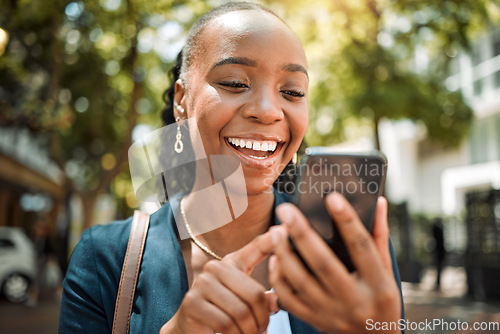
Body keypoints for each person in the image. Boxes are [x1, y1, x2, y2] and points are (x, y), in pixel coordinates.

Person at [59, 2, 404, 333]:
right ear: (182, 100)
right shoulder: (104, 259)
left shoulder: (348, 251)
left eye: (293, 91)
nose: (268, 111)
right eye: (236, 83)